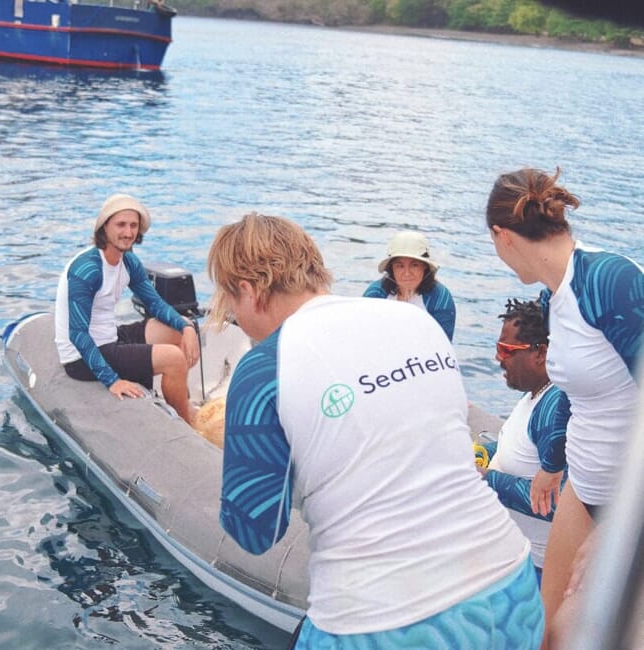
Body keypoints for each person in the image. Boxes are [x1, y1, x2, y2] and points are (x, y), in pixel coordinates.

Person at [207, 212, 544, 649]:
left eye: (230, 301)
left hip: (388, 624)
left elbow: (255, 531)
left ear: (248, 291)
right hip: (511, 590)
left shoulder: (264, 368)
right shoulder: (419, 324)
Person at [485, 167, 644, 649]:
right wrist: (552, 466)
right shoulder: (554, 297)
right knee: (547, 634)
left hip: (626, 503)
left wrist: (622, 527)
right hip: (583, 487)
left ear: (502, 235)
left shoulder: (608, 280)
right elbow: (580, 393)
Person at [54, 194, 200, 424]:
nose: (128, 232)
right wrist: (112, 380)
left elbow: (155, 303)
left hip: (110, 337)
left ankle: (179, 396)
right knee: (174, 358)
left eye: (133, 225)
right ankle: (188, 425)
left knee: (177, 330)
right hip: (81, 357)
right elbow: (78, 334)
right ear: (104, 227)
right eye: (121, 225)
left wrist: (186, 326)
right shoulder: (88, 269)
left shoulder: (128, 261)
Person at [477, 297, 570, 584]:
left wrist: (487, 479)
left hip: (536, 570)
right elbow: (521, 450)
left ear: (540, 353)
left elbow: (560, 502)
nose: (498, 358)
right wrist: (485, 450)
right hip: (513, 558)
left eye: (507, 350)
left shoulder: (554, 408)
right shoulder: (535, 392)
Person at [363, 231, 456, 341]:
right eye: (400, 266)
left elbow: (443, 345)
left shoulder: (440, 298)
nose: (407, 273)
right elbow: (364, 334)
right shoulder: (375, 293)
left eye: (414, 265)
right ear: (391, 269)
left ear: (425, 267)